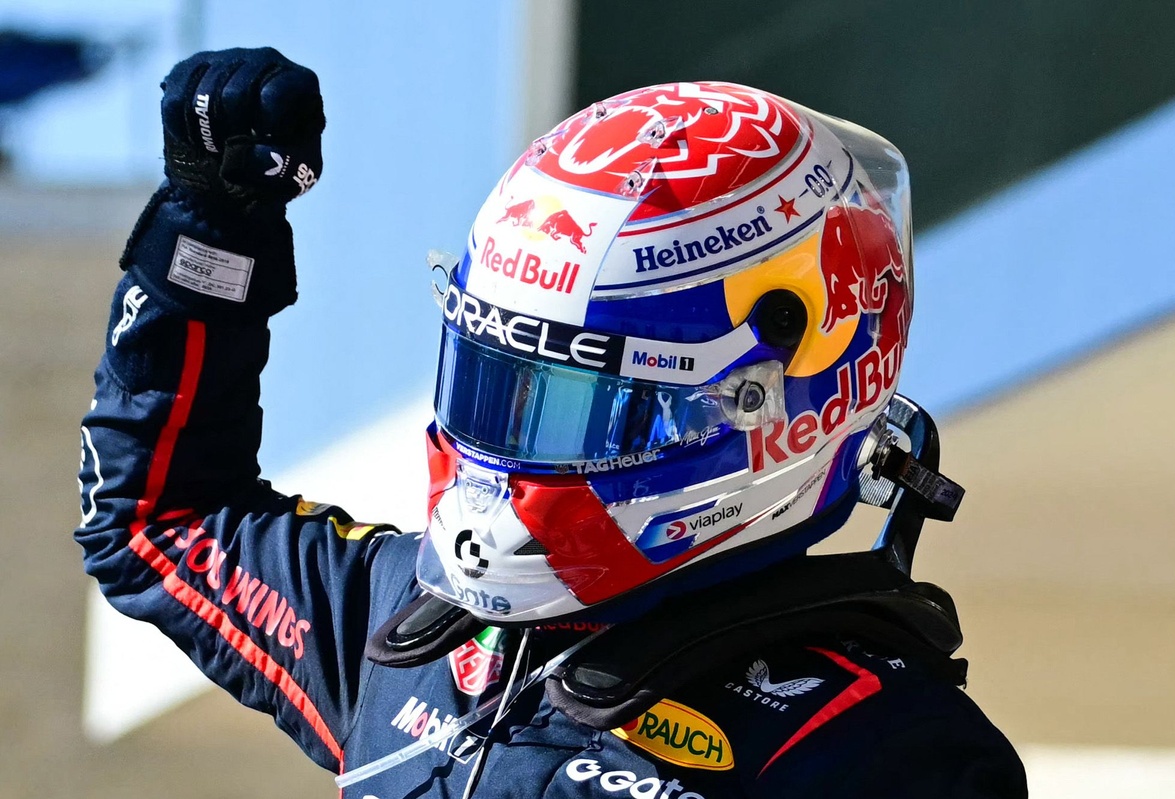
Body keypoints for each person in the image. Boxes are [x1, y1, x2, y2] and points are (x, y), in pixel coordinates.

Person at [76, 47, 1027, 798]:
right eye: (500, 385)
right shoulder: (406, 630)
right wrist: (211, 228)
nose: (509, 451)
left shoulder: (892, 754)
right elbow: (157, 524)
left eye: (582, 406)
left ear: (764, 410)